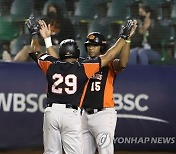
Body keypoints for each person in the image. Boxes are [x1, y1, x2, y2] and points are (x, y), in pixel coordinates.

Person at [26, 17, 136, 154]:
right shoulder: (83, 66)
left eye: (94, 45)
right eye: (88, 45)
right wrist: (124, 37)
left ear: (101, 46)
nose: (90, 47)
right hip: (80, 114)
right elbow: (109, 55)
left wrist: (38, 36)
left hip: (102, 113)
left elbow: (122, 62)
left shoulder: (83, 65)